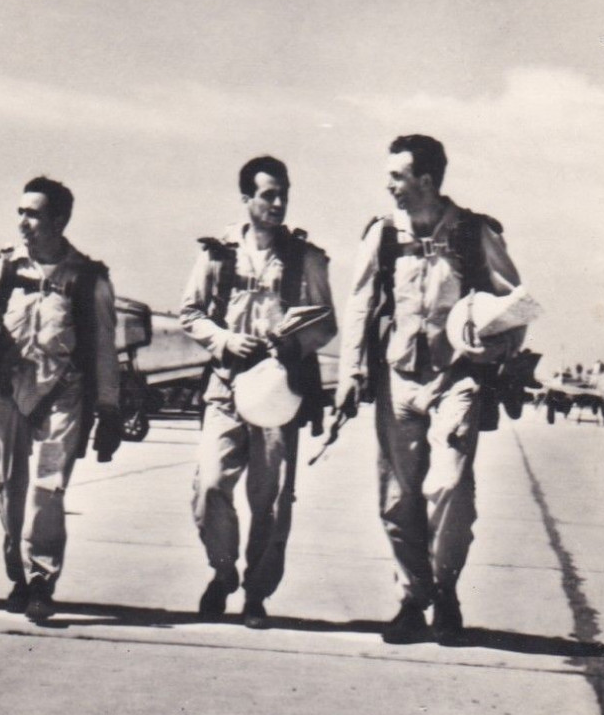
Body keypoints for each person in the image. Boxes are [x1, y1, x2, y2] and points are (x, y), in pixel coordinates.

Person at [337, 135, 521, 645]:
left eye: (397, 176)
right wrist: (350, 373)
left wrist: (496, 348)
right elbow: (359, 303)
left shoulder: (473, 232)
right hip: (397, 380)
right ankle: (413, 600)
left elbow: (515, 303)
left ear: (425, 180)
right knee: (397, 498)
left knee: (448, 486)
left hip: (456, 378)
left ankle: (446, 592)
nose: (389, 185)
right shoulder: (382, 235)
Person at [179, 156, 334, 629]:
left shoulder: (306, 258)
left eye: (283, 194)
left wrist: (292, 343)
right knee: (210, 486)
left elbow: (325, 321)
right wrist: (225, 340)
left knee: (271, 498)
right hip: (227, 385)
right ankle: (223, 572)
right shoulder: (216, 255)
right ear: (246, 198)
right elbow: (190, 313)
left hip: (279, 390)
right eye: (268, 195)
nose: (278, 203)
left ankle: (255, 593)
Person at [0, 176, 124, 621]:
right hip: (8, 391)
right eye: (21, 212)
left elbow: (104, 348)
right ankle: (17, 576)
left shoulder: (89, 279)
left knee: (49, 487)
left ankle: (41, 579)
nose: (23, 222)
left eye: (34, 214)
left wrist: (110, 409)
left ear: (60, 220)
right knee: (9, 487)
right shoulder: (2, 270)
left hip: (63, 394)